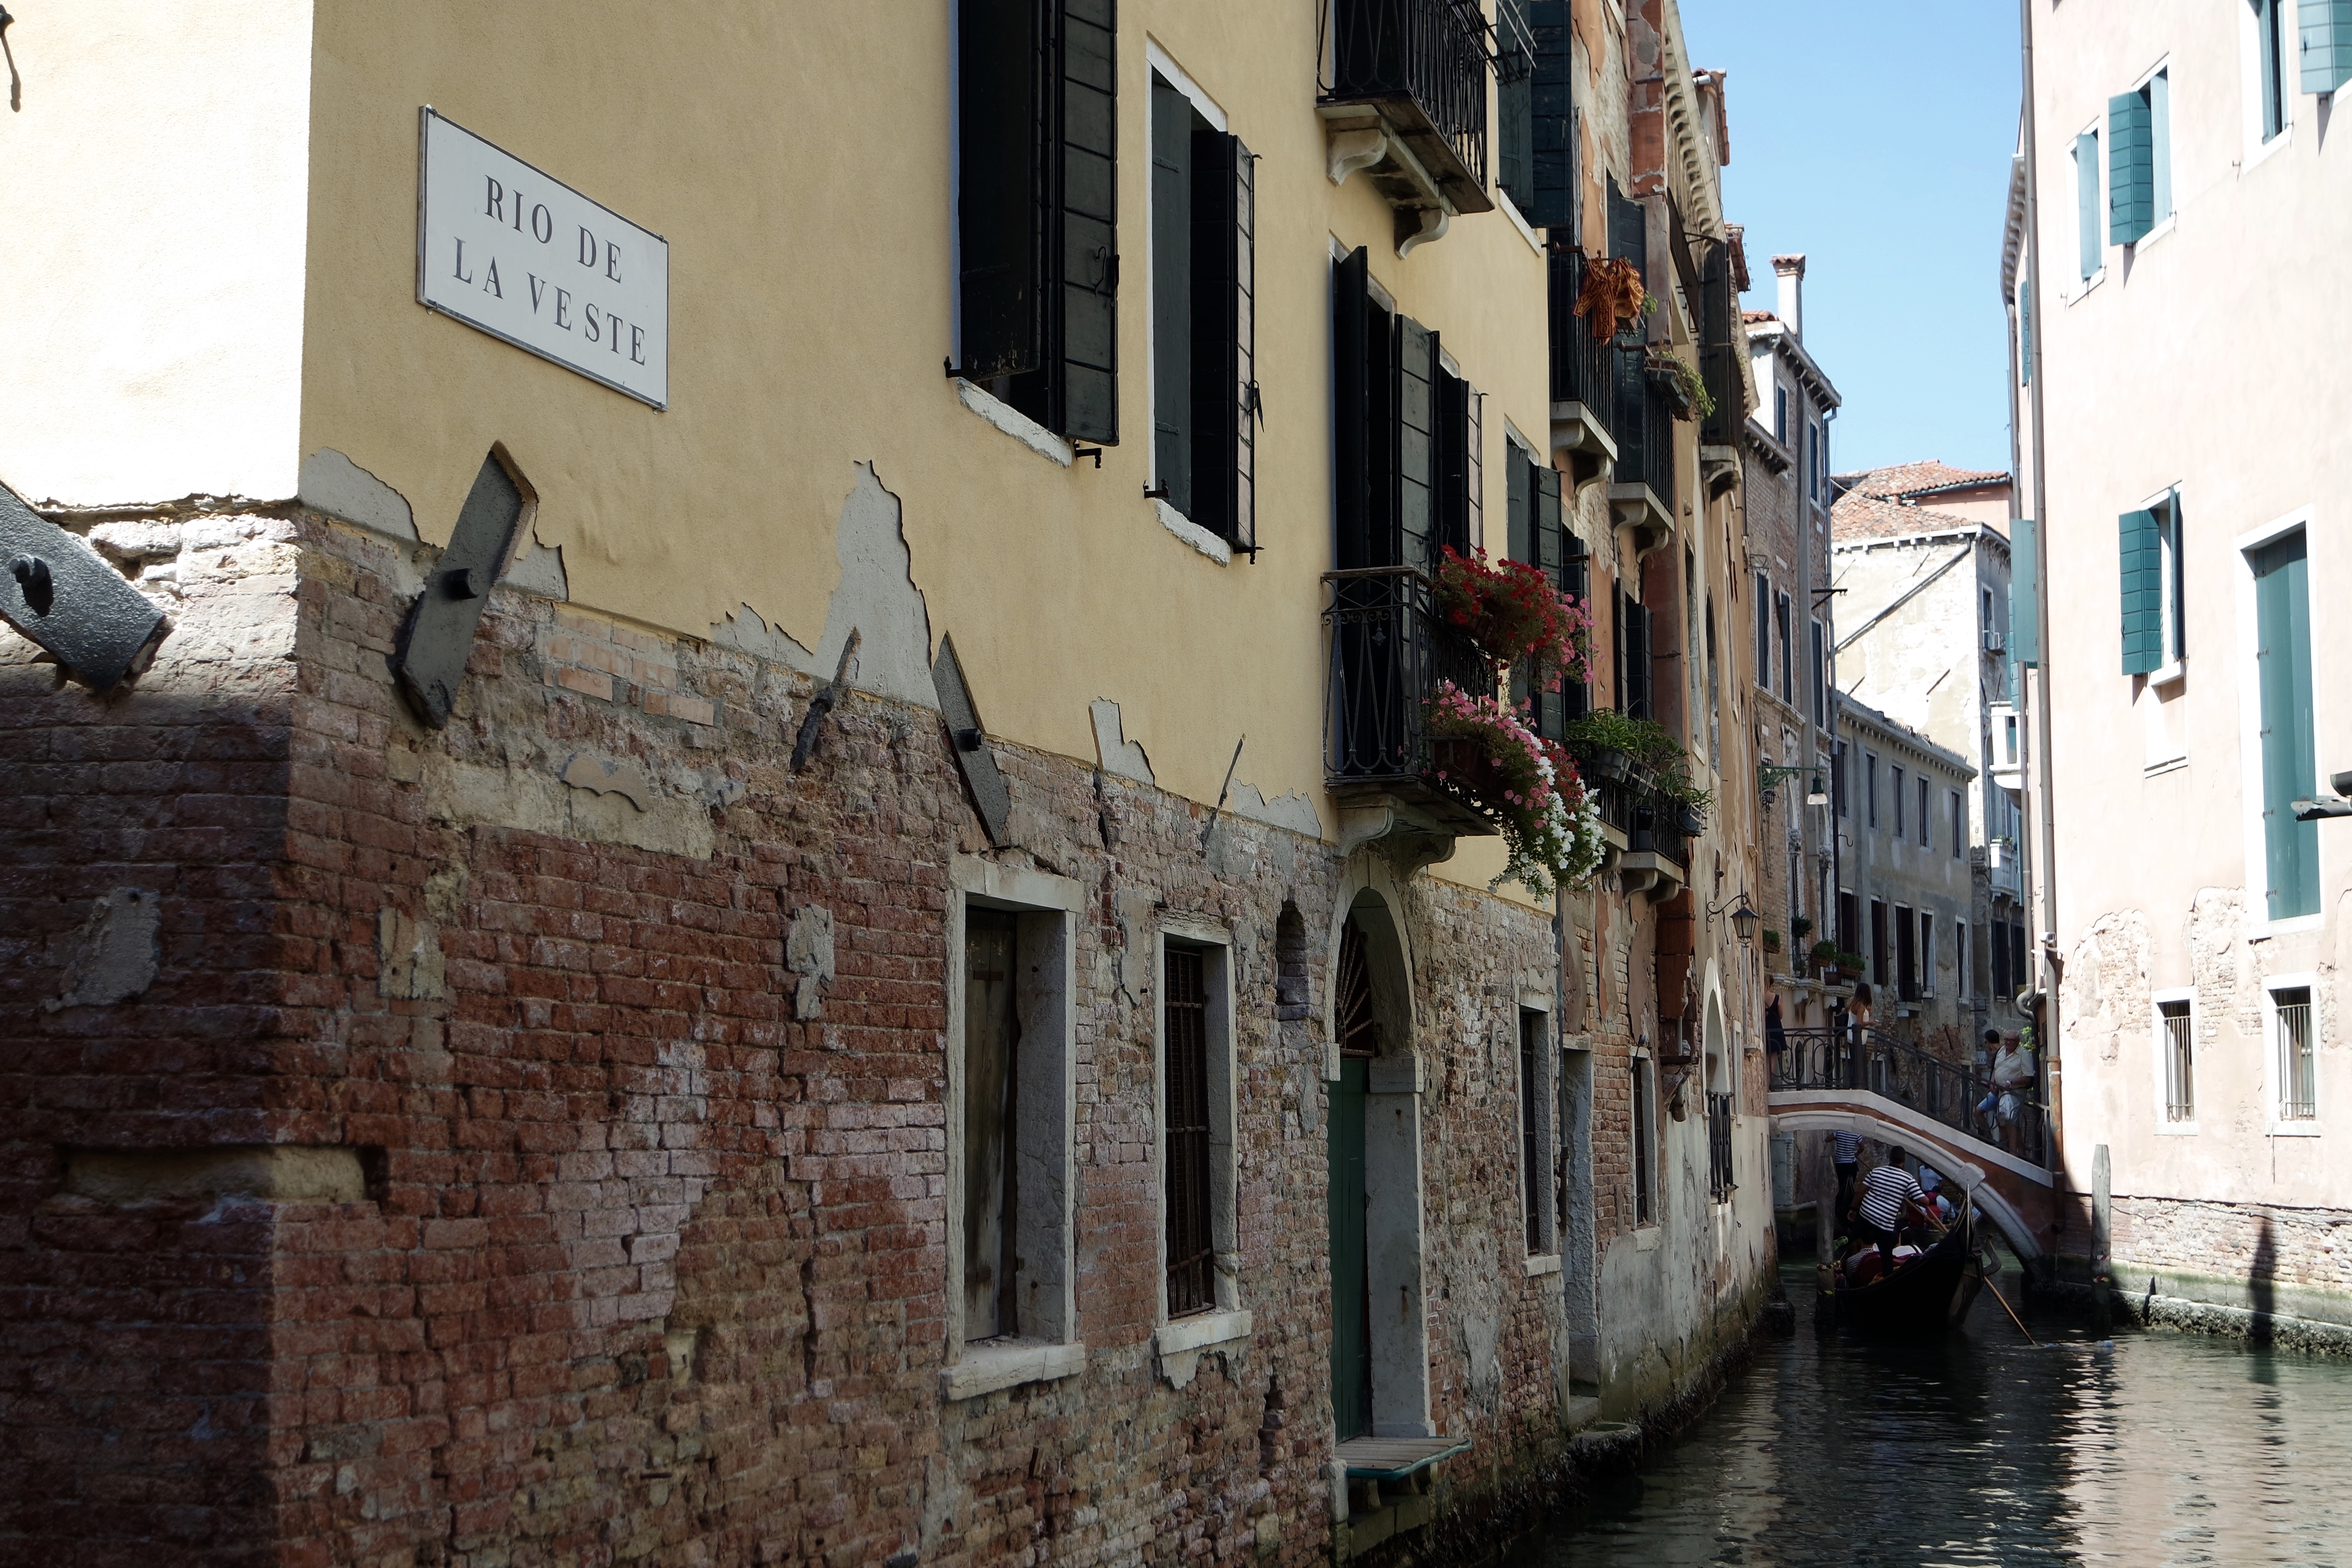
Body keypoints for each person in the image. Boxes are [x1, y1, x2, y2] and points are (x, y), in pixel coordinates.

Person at [1850, 1145, 1940, 1270]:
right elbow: (1924, 1200)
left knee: (1852, 1239)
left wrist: (1853, 1209)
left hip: (1866, 1213)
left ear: (1890, 1158)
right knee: (1887, 1258)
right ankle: (1886, 1278)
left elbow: (1860, 1192)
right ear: (1904, 1161)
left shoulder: (1877, 1171)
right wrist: (1921, 1201)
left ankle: (1843, 1261)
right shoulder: (1908, 1179)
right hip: (1884, 1222)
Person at [1830, 1128, 1862, 1230]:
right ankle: (1849, 1210)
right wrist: (1856, 1153)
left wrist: (1838, 1139)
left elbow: (1827, 1139)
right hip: (1851, 1165)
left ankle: (1843, 1211)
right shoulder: (1856, 1134)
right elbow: (1863, 1147)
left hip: (1840, 1164)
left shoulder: (1839, 1132)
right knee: (1851, 1187)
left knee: (1842, 1186)